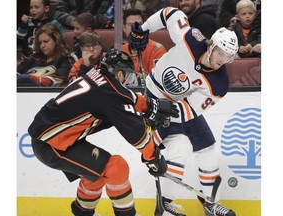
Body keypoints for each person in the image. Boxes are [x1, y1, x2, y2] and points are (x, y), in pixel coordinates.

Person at [28, 48, 179, 216]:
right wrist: (152, 157)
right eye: (128, 75)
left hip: (55, 138)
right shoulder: (109, 94)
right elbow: (137, 133)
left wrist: (149, 106)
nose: (128, 80)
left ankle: (82, 213)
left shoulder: (100, 77)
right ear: (120, 74)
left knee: (97, 174)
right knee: (116, 167)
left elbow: (126, 96)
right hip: (51, 145)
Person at [128, 7, 238, 216]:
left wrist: (160, 116)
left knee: (210, 154)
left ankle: (210, 205)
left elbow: (189, 110)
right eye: (221, 53)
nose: (223, 60)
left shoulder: (219, 84)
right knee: (179, 148)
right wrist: (143, 29)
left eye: (229, 57)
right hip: (153, 94)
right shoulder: (191, 39)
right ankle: (165, 204)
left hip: (179, 107)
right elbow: (170, 13)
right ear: (211, 45)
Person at [122, 8, 167, 86]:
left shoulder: (157, 50)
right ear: (124, 28)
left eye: (139, 24)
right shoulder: (120, 50)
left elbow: (158, 82)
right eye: (130, 25)